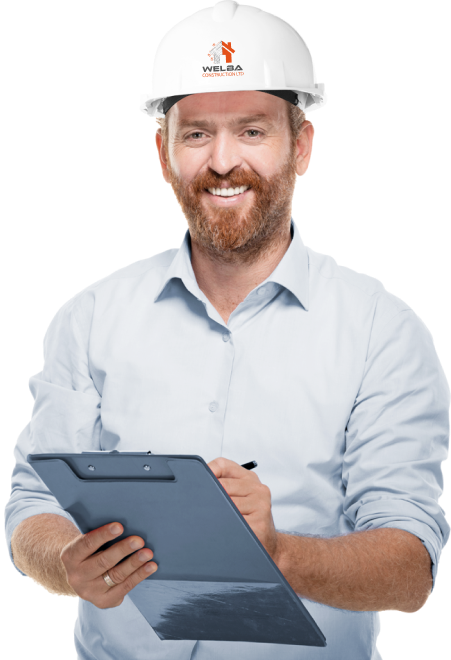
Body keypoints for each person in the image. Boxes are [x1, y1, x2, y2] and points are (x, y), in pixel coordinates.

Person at [5, 2, 450, 659]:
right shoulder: (90, 318)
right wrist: (66, 561)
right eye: (195, 135)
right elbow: (33, 509)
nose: (221, 162)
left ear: (300, 145)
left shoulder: (380, 330)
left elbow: (410, 571)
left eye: (251, 131)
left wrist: (276, 554)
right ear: (162, 152)